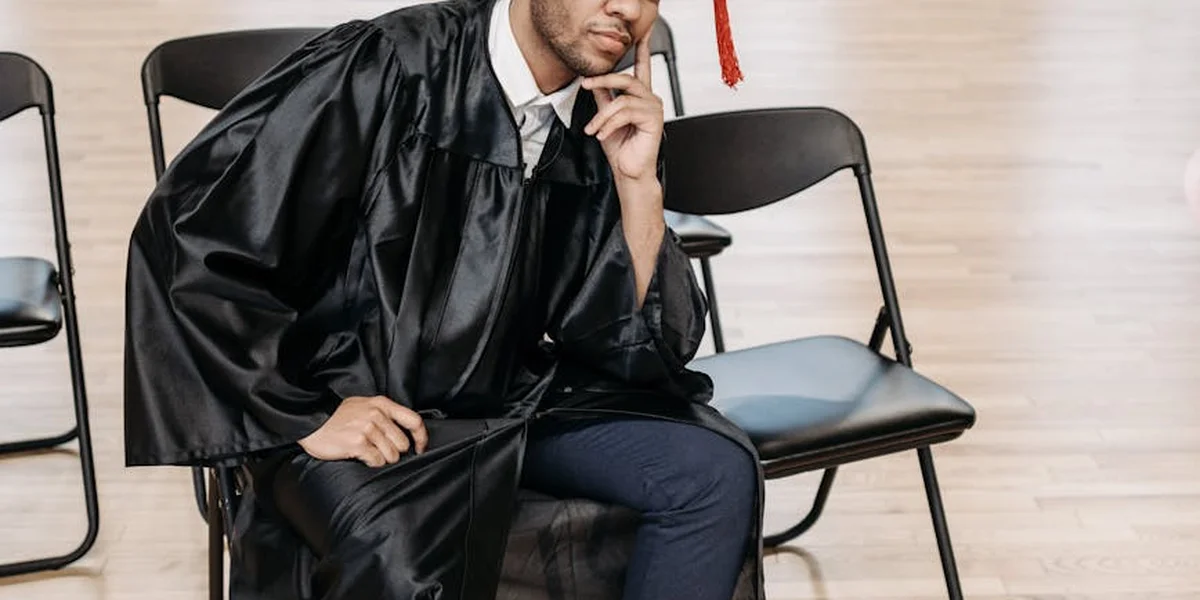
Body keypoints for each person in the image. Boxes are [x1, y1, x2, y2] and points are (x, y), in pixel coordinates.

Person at [122, 0, 763, 598]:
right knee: (401, 550)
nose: (627, 7)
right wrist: (303, 415)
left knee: (712, 472)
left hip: (510, 402)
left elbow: (629, 346)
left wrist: (639, 188)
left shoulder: (598, 120)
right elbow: (190, 233)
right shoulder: (386, 65)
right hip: (361, 408)